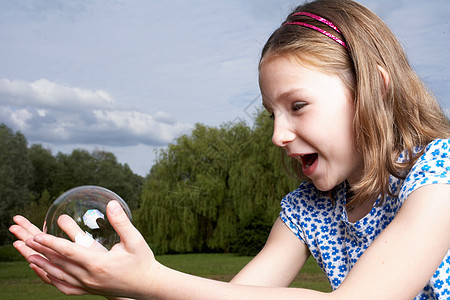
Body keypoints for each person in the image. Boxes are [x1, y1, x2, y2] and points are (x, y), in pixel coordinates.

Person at [9, 0, 450, 299]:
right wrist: (122, 284)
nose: (278, 135)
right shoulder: (309, 208)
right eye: (271, 114)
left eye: (297, 106)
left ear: (376, 90)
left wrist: (151, 279)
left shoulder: (439, 176)